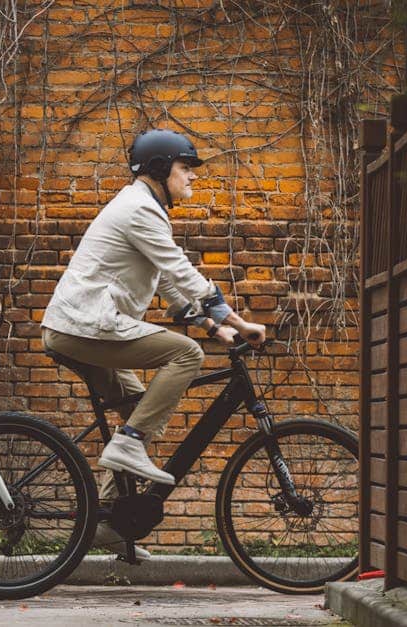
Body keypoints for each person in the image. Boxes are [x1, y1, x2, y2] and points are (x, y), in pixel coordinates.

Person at [41, 129, 266, 559]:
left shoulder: (141, 208)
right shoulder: (139, 209)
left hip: (86, 327)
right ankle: (125, 445)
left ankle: (109, 522)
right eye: (186, 168)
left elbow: (168, 282)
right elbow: (181, 272)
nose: (192, 178)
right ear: (161, 169)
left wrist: (215, 327)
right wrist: (238, 321)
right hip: (85, 328)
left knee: (138, 410)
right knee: (186, 355)